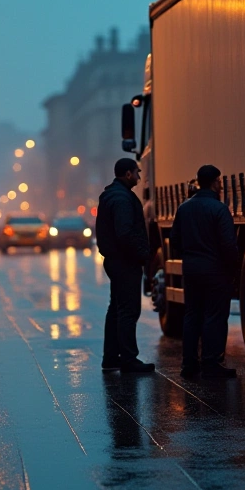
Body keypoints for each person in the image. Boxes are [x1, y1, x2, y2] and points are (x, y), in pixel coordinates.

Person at [171, 164, 241, 379]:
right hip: (215, 271)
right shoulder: (219, 209)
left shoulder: (184, 208)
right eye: (219, 181)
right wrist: (233, 269)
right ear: (214, 182)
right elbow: (229, 245)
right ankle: (211, 362)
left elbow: (174, 241)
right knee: (215, 315)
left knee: (192, 315)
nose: (220, 184)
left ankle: (189, 364)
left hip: (192, 270)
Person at [95, 158, 155, 373]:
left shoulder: (111, 194)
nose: (139, 177)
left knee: (116, 309)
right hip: (124, 261)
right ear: (128, 174)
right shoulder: (122, 198)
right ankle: (129, 359)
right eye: (137, 173)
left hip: (115, 260)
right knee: (129, 310)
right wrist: (142, 254)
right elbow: (125, 233)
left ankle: (111, 358)